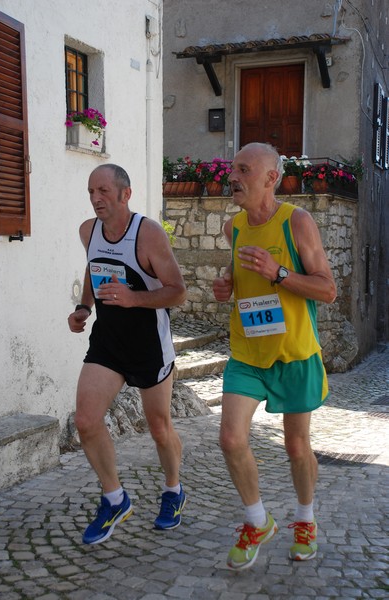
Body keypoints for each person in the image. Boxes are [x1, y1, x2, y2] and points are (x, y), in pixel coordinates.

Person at [213, 142, 337, 570]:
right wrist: (225, 285)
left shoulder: (297, 222)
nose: (233, 177)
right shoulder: (233, 228)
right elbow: (234, 275)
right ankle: (257, 520)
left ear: (271, 178)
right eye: (232, 169)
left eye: (243, 170)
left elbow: (327, 289)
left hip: (295, 354)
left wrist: (279, 273)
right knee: (230, 438)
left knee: (297, 447)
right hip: (247, 353)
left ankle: (305, 519)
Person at [68, 164, 187, 545]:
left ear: (125, 194)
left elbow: (178, 291)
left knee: (159, 427)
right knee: (86, 420)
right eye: (91, 191)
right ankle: (114, 498)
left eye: (103, 190)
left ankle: (173, 491)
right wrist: (84, 308)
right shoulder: (89, 231)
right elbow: (93, 269)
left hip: (149, 342)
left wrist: (134, 298)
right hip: (108, 341)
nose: (95, 198)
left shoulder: (147, 234)